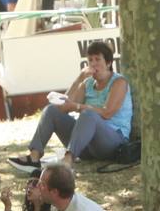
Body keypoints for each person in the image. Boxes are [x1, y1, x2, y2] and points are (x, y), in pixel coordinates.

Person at [7, 41, 132, 171]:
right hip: (85, 145)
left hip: (112, 142)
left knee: (89, 114)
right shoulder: (87, 83)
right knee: (51, 110)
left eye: (97, 59)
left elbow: (107, 113)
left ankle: (67, 161)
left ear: (108, 63)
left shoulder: (119, 82)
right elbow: (63, 106)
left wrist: (78, 106)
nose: (93, 64)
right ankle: (34, 157)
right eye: (90, 60)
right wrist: (79, 79)